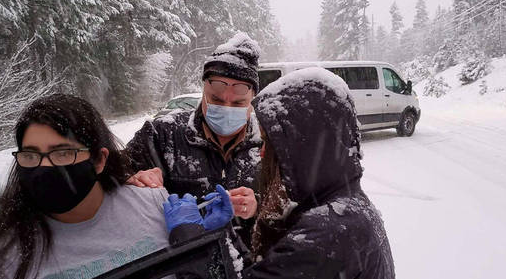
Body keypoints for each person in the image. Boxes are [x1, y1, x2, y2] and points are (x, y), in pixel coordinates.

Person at [0, 94, 231, 279]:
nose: (45, 168)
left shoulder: (152, 203)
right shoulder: (6, 258)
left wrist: (199, 249)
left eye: (63, 153)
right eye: (31, 155)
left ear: (100, 159)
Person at [164, 67, 396, 278]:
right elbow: (263, 272)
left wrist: (191, 242)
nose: (262, 153)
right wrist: (224, 234)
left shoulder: (327, 234)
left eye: (269, 143)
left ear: (303, 145)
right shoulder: (346, 209)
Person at [124, 33, 263, 245]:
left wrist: (257, 207)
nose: (226, 108)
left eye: (238, 104)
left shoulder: (267, 144)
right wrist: (132, 180)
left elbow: (289, 206)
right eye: (216, 99)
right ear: (203, 90)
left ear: (252, 99)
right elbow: (109, 179)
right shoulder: (162, 134)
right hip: (182, 263)